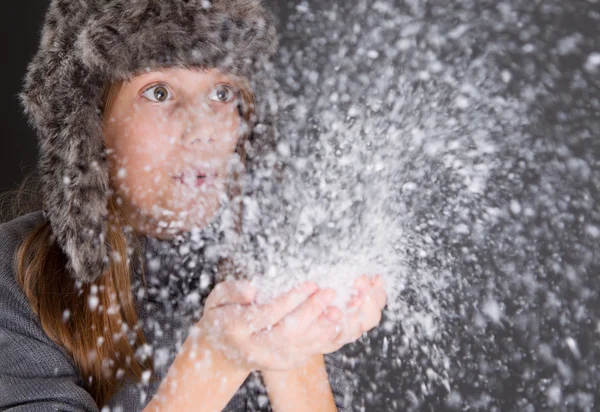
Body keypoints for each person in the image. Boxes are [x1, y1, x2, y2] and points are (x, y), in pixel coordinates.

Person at [0, 0, 387, 411]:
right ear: (89, 124)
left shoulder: (275, 264)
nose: (204, 129)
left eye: (222, 92)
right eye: (159, 92)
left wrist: (294, 347)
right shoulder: (15, 279)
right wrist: (219, 357)